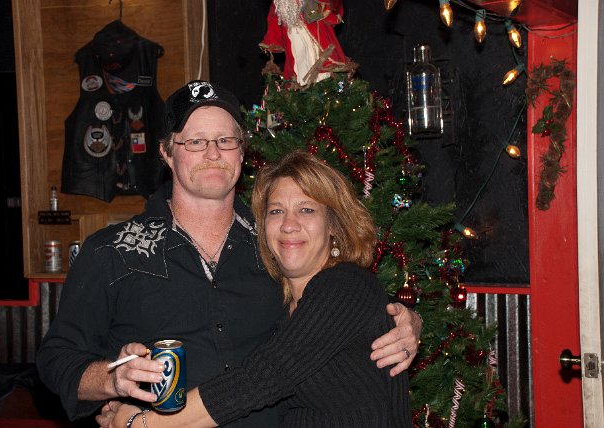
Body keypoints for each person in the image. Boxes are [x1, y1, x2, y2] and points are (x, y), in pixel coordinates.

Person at [36, 80, 420, 426]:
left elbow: (337, 313)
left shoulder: (276, 244)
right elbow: (56, 361)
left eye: (225, 140)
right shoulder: (112, 251)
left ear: (241, 153)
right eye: (195, 141)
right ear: (167, 153)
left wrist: (404, 323)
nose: (213, 153)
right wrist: (112, 378)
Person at [97, 150, 412, 427]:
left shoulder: (345, 285)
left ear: (334, 226)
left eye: (306, 209)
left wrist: (143, 424)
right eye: (276, 211)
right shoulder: (280, 305)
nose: (289, 224)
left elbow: (262, 377)